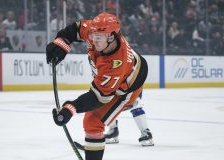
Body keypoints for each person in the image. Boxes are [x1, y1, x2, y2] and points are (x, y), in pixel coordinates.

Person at [46, 12, 150, 160]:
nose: (94, 41)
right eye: (93, 36)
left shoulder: (116, 65)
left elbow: (97, 98)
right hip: (121, 75)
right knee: (93, 120)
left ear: (112, 36)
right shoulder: (97, 31)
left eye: (98, 38)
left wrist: (70, 108)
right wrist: (61, 43)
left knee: (93, 122)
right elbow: (75, 29)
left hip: (128, 85)